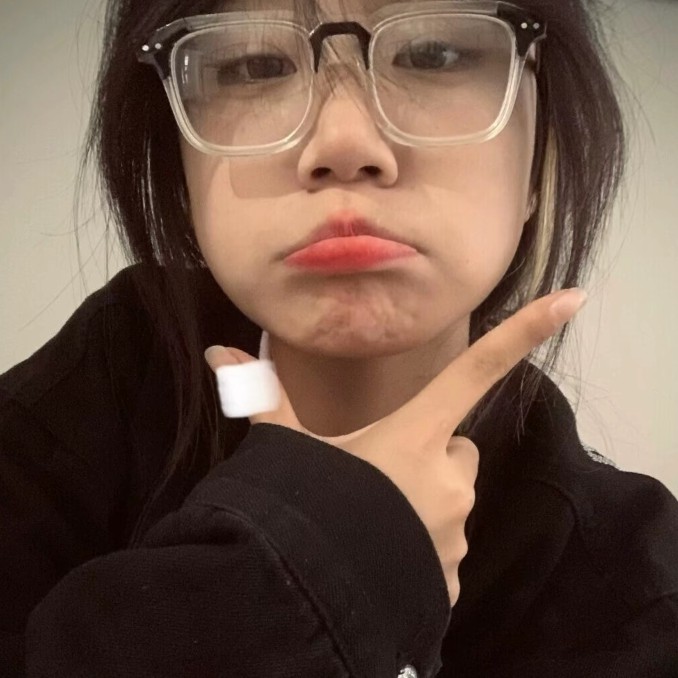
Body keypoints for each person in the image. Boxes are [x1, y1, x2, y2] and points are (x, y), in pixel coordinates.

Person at [1, 0, 677, 675]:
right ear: (178, 167)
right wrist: (326, 565)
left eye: (434, 54)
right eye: (254, 66)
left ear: (538, 158)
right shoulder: (84, 401)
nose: (345, 145)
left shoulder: (634, 596)